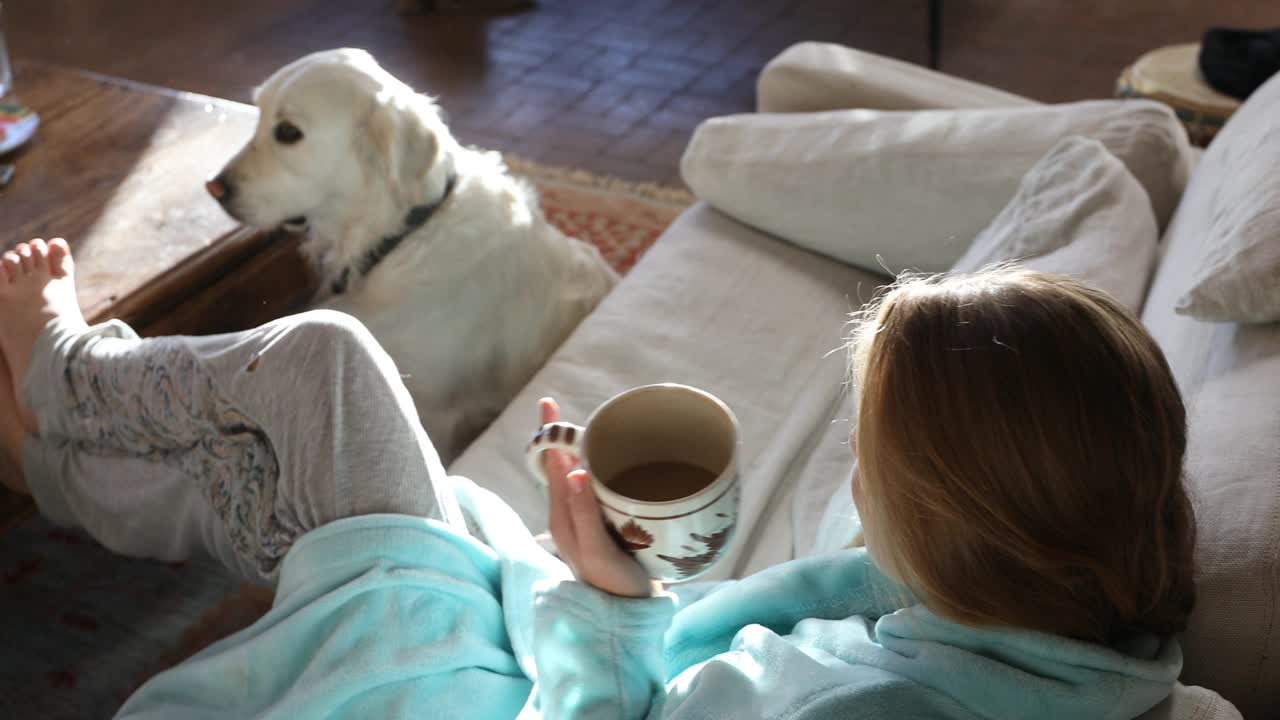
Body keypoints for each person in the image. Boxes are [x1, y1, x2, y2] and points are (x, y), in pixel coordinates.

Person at [0, 237, 1196, 719]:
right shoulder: (1041, 625)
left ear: (951, 512)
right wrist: (607, 588)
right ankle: (47, 452)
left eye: (870, 452)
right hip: (580, 647)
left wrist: (606, 616)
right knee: (284, 468)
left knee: (320, 369)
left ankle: (57, 390)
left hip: (514, 692)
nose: (852, 469)